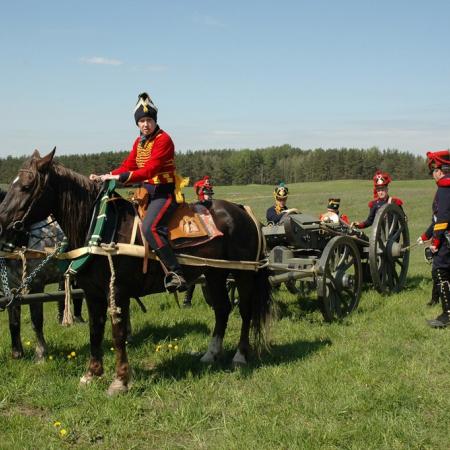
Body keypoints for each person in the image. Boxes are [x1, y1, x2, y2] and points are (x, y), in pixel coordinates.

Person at [89, 92, 187, 293]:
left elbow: (150, 170)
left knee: (150, 227)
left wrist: (120, 178)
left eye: (148, 120)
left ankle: (177, 272)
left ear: (154, 121)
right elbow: (129, 164)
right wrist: (105, 175)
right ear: (137, 124)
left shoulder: (164, 140)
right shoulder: (139, 142)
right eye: (141, 121)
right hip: (146, 193)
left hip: (164, 193)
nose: (145, 124)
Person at [422, 150, 450, 328]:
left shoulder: (444, 188)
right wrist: (425, 235)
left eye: (433, 171)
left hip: (446, 239)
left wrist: (435, 242)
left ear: (439, 170)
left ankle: (447, 314)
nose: (433, 175)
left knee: (440, 270)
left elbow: (443, 218)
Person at [182, 176, 214, 307]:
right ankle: (187, 300)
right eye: (207, 193)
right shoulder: (196, 207)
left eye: (210, 193)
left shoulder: (209, 206)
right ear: (201, 193)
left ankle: (188, 300)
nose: (210, 196)